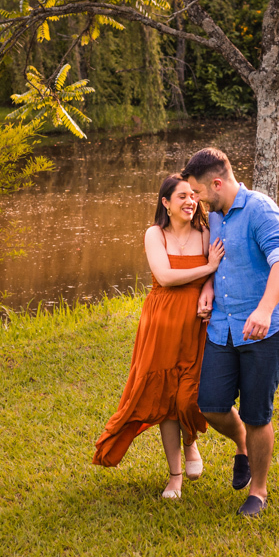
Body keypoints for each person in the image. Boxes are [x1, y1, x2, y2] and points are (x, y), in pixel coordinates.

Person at [93, 174, 225, 499]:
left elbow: (219, 273)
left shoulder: (206, 232)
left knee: (188, 394)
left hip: (196, 323)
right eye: (181, 196)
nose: (189, 201)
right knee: (164, 400)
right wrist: (208, 268)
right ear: (165, 202)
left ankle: (191, 442)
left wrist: (209, 281)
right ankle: (175, 476)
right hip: (162, 323)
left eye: (192, 196)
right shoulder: (155, 234)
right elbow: (165, 277)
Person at [181, 148, 279, 517]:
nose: (195, 200)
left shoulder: (261, 210)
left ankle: (258, 492)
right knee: (211, 405)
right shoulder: (216, 214)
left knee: (257, 414)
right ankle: (242, 444)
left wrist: (264, 309)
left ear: (217, 183)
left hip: (264, 329)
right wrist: (209, 287)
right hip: (222, 327)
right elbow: (221, 260)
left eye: (197, 192)